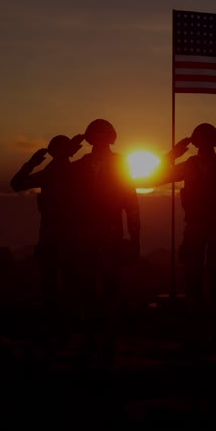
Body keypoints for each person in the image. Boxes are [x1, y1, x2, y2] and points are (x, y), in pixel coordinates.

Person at [155, 123, 216, 353]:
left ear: (213, 141)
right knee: (193, 278)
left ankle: (215, 328)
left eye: (206, 139)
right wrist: (173, 154)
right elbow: (158, 177)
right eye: (200, 139)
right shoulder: (189, 165)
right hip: (194, 227)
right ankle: (196, 327)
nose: (202, 144)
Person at [69, 118, 140, 371]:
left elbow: (130, 201)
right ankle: (90, 339)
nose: (99, 141)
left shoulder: (121, 163)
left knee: (111, 287)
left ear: (110, 138)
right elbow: (68, 196)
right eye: (95, 136)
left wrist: (135, 237)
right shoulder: (80, 165)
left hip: (111, 230)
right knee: (86, 287)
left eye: (103, 136)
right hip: (85, 232)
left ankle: (109, 342)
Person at [10, 133, 85, 361]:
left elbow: (17, 183)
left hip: (56, 233)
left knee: (53, 282)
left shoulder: (50, 173)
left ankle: (55, 329)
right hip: (67, 233)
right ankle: (64, 329)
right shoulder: (74, 171)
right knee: (66, 282)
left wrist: (32, 163)